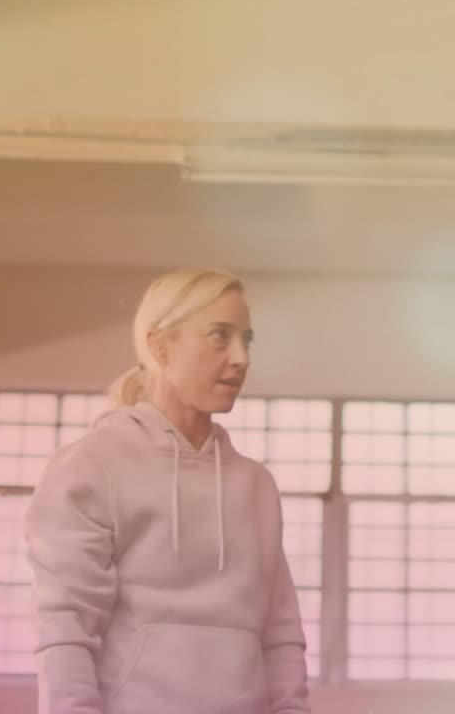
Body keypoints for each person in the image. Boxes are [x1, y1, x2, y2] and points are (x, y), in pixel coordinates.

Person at [24, 268, 312, 714]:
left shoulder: (256, 485)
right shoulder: (90, 465)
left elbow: (281, 635)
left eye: (246, 340)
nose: (240, 358)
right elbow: (65, 628)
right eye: (220, 336)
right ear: (160, 345)